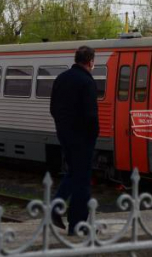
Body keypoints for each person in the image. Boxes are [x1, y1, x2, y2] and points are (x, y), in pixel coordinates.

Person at [49, 45, 99, 235]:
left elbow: (53, 108)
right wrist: (93, 135)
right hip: (82, 138)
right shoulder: (87, 81)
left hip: (64, 136)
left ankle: (55, 208)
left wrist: (63, 128)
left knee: (73, 174)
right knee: (83, 181)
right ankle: (77, 225)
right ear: (90, 61)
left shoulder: (61, 78)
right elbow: (90, 115)